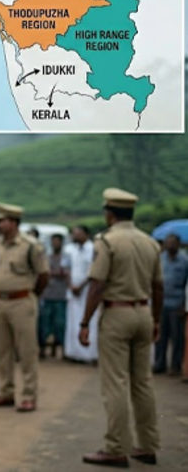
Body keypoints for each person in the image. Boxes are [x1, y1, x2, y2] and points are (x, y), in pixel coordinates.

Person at [80, 188, 162, 468]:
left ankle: (115, 447)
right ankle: (148, 446)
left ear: (109, 213)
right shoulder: (150, 242)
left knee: (115, 383)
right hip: (143, 312)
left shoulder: (107, 241)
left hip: (117, 314)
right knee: (143, 382)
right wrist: (157, 319)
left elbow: (98, 284)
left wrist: (84, 322)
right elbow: (158, 286)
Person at [0, 203, 49, 413]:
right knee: (2, 350)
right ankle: (6, 391)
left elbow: (43, 275)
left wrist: (30, 295)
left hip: (22, 301)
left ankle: (29, 395)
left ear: (13, 222)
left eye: (2, 220)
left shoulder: (30, 245)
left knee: (27, 350)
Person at [65, 225, 98, 363]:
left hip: (87, 291)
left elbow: (94, 271)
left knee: (90, 321)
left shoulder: (93, 249)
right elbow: (66, 268)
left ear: (86, 234)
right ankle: (74, 353)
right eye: (73, 233)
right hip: (73, 291)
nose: (75, 236)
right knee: (73, 322)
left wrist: (81, 286)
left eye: (78, 233)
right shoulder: (70, 249)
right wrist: (71, 285)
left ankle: (90, 355)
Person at [155, 233, 187, 375]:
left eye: (173, 243)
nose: (170, 245)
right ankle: (159, 363)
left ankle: (175, 365)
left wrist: (183, 305)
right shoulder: (160, 259)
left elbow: (187, 284)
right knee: (160, 335)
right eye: (167, 242)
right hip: (162, 302)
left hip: (177, 303)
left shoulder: (184, 260)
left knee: (177, 337)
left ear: (178, 244)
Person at [38, 233, 70, 359]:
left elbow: (65, 273)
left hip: (61, 295)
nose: (55, 243)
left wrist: (54, 273)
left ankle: (62, 350)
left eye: (57, 241)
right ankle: (43, 350)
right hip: (47, 295)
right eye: (53, 241)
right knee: (44, 324)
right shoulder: (47, 257)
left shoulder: (66, 257)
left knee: (60, 324)